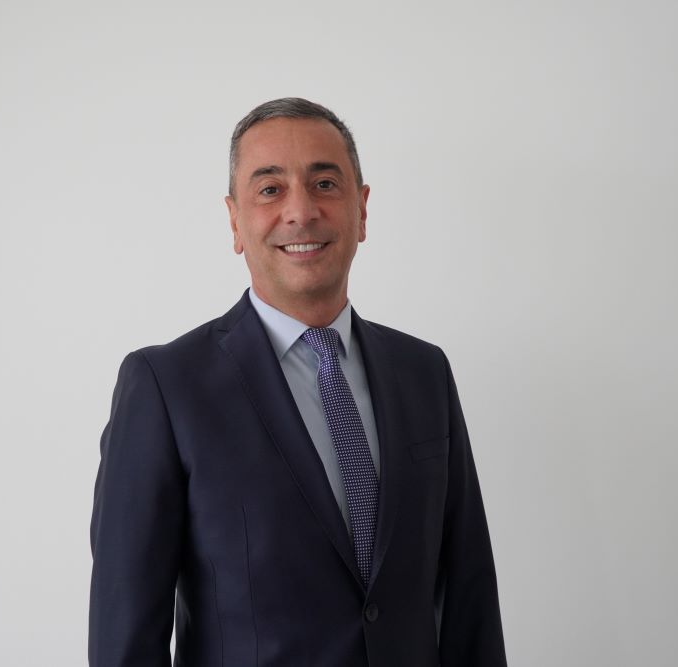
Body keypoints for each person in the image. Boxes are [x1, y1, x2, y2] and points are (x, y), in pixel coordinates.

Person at [89, 98, 507, 666]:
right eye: (270, 189)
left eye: (325, 184)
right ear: (235, 221)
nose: (301, 211)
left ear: (362, 210)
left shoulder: (424, 372)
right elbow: (125, 641)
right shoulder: (166, 387)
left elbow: (469, 601)